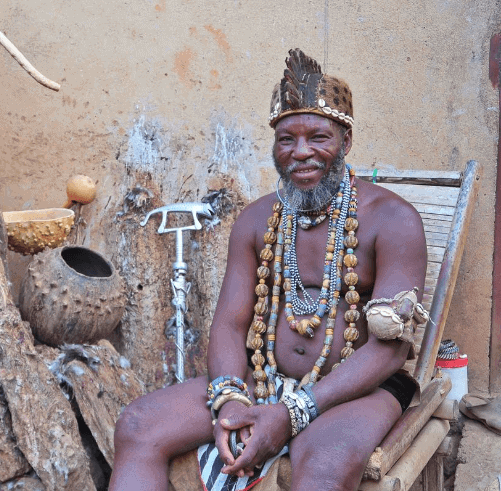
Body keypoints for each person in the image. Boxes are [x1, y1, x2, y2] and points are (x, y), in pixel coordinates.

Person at [110, 48, 428, 491]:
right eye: (286, 139)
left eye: (319, 137)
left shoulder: (393, 221)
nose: (301, 153)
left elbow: (390, 350)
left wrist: (294, 411)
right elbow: (228, 323)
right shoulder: (258, 220)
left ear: (346, 142)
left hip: (357, 390)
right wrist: (229, 399)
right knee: (138, 425)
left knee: (324, 467)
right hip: (261, 381)